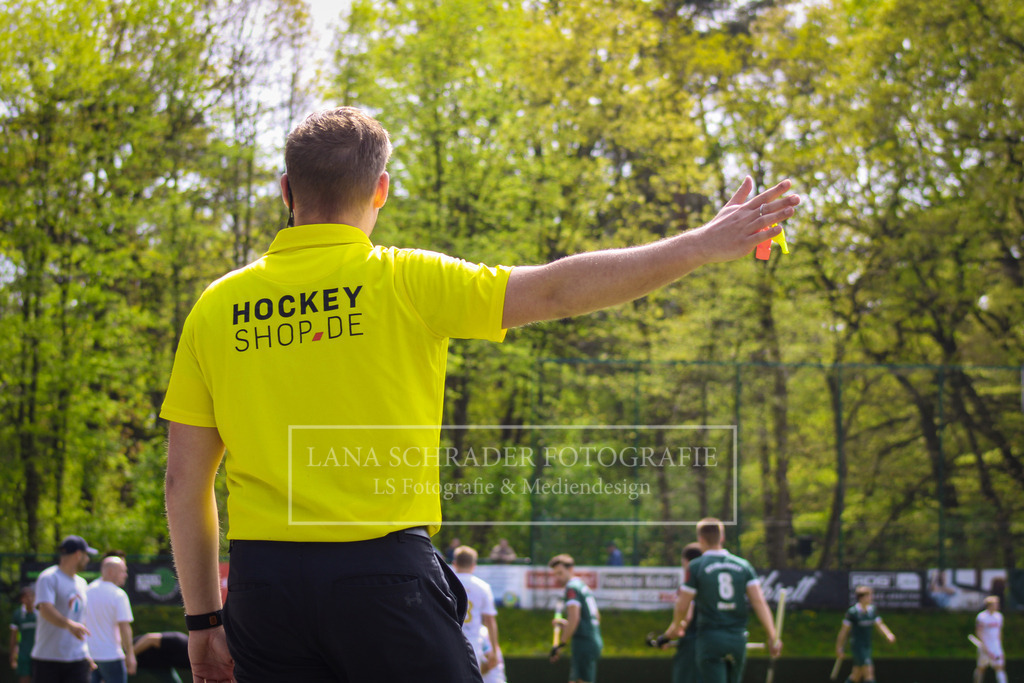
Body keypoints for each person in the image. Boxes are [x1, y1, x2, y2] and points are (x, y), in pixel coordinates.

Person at [161, 106, 800, 682]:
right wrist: (698, 244)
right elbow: (556, 289)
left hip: (264, 587)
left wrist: (204, 622)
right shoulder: (405, 279)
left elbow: (184, 484)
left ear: (286, 191)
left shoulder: (215, 308)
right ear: (381, 189)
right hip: (381, 578)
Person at [662, 518, 781, 683]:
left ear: (700, 539)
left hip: (710, 638)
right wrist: (772, 635)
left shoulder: (696, 566)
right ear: (722, 537)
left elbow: (683, 606)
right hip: (738, 638)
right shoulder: (744, 566)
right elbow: (759, 602)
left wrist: (674, 628)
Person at [32, 535, 97, 683]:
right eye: (86, 555)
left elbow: (81, 620)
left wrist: (86, 652)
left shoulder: (82, 583)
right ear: (78, 554)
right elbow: (45, 609)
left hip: (77, 658)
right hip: (48, 658)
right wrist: (69, 625)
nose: (88, 559)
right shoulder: (49, 577)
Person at [549, 554, 603, 683]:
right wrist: (565, 624)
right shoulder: (582, 585)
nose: (558, 577)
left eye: (560, 573)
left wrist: (561, 644)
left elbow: (574, 618)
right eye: (555, 574)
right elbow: (596, 617)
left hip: (583, 643)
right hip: (593, 639)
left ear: (571, 569)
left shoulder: (571, 588)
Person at [84, 556, 137, 682]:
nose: (125, 575)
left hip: (89, 656)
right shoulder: (118, 594)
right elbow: (124, 627)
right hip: (112, 656)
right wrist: (130, 654)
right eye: (122, 571)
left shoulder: (86, 591)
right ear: (110, 572)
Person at [453, 546, 502, 679]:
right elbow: (490, 621)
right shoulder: (482, 587)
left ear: (454, 563)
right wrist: (494, 649)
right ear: (474, 565)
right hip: (472, 642)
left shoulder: (446, 583)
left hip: (449, 639)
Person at [835, 586, 896, 683]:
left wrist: (888, 634)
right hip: (858, 647)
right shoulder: (853, 612)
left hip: (867, 646)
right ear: (862, 598)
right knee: (869, 673)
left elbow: (879, 624)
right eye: (869, 596)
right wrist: (839, 648)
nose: (871, 598)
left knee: (856, 675)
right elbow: (844, 631)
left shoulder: (872, 610)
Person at [665, 543, 704, 683]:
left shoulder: (688, 585)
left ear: (686, 561)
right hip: (711, 641)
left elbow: (687, 616)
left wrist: (667, 636)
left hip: (691, 643)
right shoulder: (709, 582)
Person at [973, 596, 1007, 683]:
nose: (997, 606)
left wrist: (999, 645)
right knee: (981, 668)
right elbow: (978, 631)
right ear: (989, 605)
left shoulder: (999, 616)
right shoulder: (982, 616)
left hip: (995, 646)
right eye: (995, 604)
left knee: (999, 667)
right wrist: (984, 645)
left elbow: (999, 632)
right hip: (985, 646)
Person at [9, 585, 36, 683]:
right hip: (23, 654)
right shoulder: (18, 614)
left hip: (38, 653)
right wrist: (13, 655)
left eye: (31, 596)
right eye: (26, 597)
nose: (29, 599)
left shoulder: (40, 613)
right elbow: (13, 636)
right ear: (22, 599)